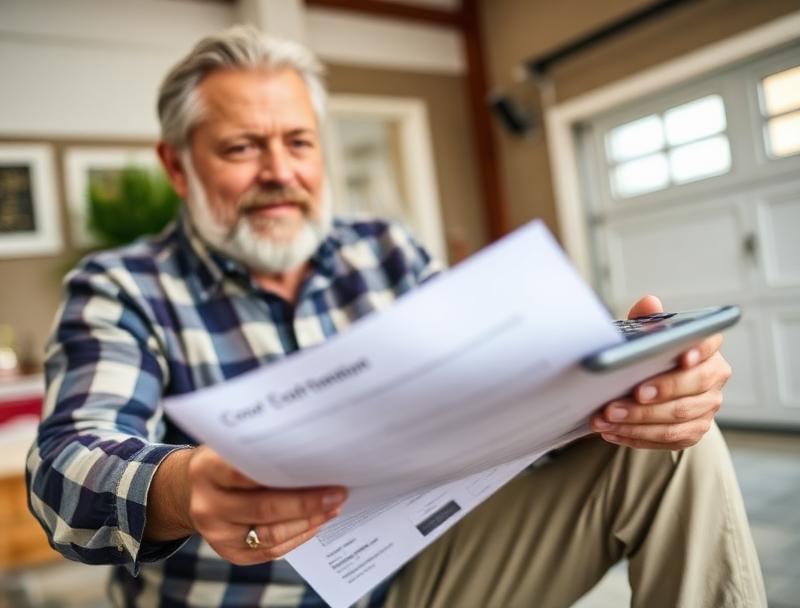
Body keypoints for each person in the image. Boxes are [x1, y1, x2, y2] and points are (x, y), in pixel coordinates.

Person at [27, 25, 766, 608]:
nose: (279, 171)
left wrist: (629, 385)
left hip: (414, 578)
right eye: (243, 147)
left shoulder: (384, 251)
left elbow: (493, 389)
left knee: (675, 445)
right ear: (177, 165)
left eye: (298, 142)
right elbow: (64, 471)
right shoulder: (121, 288)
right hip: (240, 603)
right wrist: (185, 488)